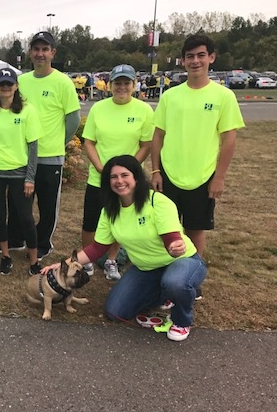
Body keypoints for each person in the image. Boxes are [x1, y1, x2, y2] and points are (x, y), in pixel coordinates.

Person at [43, 155, 207, 342]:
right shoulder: (109, 210)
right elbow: (97, 249)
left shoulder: (157, 202)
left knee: (176, 282)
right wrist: (61, 264)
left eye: (124, 175)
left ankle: (181, 319)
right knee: (115, 311)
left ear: (136, 177)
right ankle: (165, 294)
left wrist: (174, 247)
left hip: (181, 261)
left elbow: (172, 237)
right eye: (113, 177)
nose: (119, 181)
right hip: (146, 268)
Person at [151, 34, 245, 299]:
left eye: (201, 55)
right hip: (169, 173)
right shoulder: (171, 96)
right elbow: (158, 135)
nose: (195, 61)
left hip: (202, 176)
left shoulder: (223, 96)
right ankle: (165, 274)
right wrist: (156, 171)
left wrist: (219, 177)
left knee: (195, 230)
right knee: (166, 229)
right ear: (183, 61)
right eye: (190, 56)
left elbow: (229, 139)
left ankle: (192, 277)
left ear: (211, 58)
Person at [0, 31, 81, 261]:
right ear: (30, 52)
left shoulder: (63, 82)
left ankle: (43, 243)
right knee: (18, 201)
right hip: (21, 155)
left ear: (53, 52)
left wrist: (57, 141)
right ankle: (16, 239)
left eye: (45, 49)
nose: (40, 54)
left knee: (47, 203)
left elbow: (72, 119)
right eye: (36, 49)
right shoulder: (21, 81)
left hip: (50, 156)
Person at [81, 64, 154, 280]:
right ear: (110, 85)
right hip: (99, 178)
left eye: (126, 83)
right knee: (90, 221)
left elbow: (146, 145)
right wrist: (103, 171)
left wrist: (126, 173)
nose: (122, 87)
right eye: (117, 83)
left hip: (127, 183)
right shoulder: (98, 108)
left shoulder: (144, 110)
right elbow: (89, 142)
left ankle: (112, 259)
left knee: (120, 221)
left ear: (134, 85)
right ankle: (87, 261)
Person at [0, 68, 43, 275]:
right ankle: (5, 256)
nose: (6, 87)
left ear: (16, 86)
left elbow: (33, 147)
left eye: (9, 83)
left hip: (20, 173)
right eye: (1, 84)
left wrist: (30, 177)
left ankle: (33, 260)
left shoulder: (27, 110)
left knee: (26, 217)